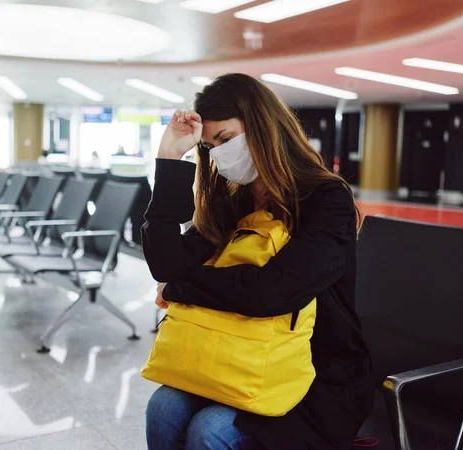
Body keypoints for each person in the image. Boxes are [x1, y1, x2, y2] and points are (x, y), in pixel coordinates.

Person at [142, 73, 373, 450]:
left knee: (210, 429)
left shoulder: (327, 200)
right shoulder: (234, 203)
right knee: (163, 407)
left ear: (265, 128)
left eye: (227, 140)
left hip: (316, 372)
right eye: (210, 146)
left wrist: (182, 288)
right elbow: (166, 265)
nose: (218, 155)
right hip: (235, 356)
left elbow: (271, 292)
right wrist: (169, 158)